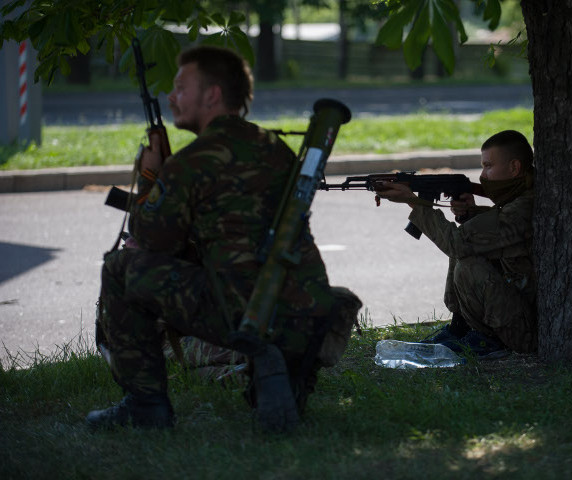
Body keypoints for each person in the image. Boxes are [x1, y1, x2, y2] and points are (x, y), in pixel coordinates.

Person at [87, 45, 361, 432]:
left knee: (119, 269)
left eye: (181, 87)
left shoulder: (191, 162)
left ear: (212, 95)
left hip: (246, 307)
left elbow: (151, 240)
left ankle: (145, 405)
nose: (172, 97)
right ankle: (281, 371)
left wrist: (151, 177)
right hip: (304, 302)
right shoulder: (276, 148)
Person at [375, 130, 537, 357]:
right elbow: (496, 233)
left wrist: (415, 203)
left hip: (524, 332)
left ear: (514, 167)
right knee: (463, 252)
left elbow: (459, 242)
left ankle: (487, 341)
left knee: (467, 262)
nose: (483, 175)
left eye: (488, 166)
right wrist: (471, 213)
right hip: (516, 313)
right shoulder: (520, 198)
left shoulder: (524, 206)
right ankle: (460, 328)